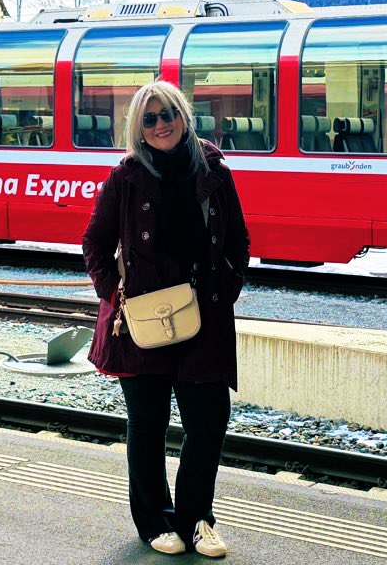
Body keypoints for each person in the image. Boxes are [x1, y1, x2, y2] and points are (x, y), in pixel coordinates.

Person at [83, 80, 250, 558]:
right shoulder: (127, 177)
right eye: (150, 118)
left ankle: (197, 519)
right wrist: (114, 296)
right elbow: (94, 243)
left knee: (208, 421)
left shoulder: (214, 170)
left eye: (168, 114)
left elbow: (239, 239)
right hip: (143, 320)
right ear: (139, 127)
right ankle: (155, 521)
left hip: (206, 316)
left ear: (183, 115)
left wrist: (230, 287)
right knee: (148, 423)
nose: (161, 125)